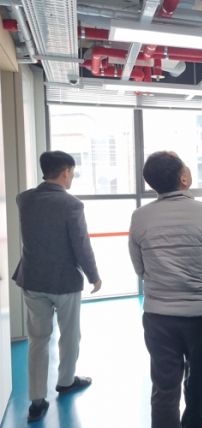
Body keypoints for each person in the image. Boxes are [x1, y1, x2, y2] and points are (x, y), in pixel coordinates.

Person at [128, 151, 202, 428]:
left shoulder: (140, 217)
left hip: (158, 315)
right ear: (184, 178)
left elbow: (140, 268)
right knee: (198, 377)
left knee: (164, 383)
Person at [12, 151, 101, 423]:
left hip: (33, 279)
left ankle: (37, 400)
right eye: (72, 172)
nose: (72, 177)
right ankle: (66, 381)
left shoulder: (24, 199)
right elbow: (81, 245)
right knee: (70, 335)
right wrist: (94, 276)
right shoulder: (71, 204)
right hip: (64, 281)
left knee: (37, 339)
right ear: (65, 172)